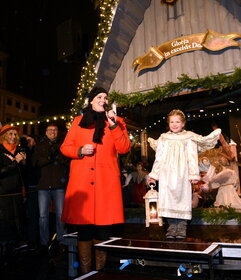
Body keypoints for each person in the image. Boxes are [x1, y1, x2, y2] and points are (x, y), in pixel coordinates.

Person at [60, 86, 131, 274]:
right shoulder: (77, 122)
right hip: (82, 182)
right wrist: (79, 151)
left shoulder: (117, 122)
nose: (103, 99)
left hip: (105, 183)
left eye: (106, 97)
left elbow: (124, 148)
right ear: (91, 100)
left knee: (103, 229)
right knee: (84, 229)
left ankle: (100, 273)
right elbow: (65, 148)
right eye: (99, 96)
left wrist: (114, 125)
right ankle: (85, 273)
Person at [147, 109, 221, 240]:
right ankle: (171, 227)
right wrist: (154, 175)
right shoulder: (164, 138)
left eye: (177, 122)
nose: (174, 124)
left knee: (182, 199)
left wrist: (193, 175)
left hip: (182, 174)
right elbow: (159, 158)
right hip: (167, 175)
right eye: (172, 122)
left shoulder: (189, 137)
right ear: (168, 123)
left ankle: (181, 227)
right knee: (168, 199)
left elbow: (192, 157)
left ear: (183, 124)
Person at [32, 124, 69, 252]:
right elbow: (35, 162)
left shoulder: (63, 145)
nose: (52, 132)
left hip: (59, 184)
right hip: (43, 185)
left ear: (57, 132)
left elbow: (67, 160)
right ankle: (43, 242)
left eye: (55, 129)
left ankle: (61, 240)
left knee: (60, 214)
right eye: (50, 130)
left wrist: (58, 158)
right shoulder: (40, 145)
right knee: (43, 216)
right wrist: (50, 157)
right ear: (46, 132)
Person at [0, 125, 27, 249]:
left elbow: (24, 171)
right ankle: (5, 245)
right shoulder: (0, 151)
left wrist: (24, 162)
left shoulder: (19, 150)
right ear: (4, 136)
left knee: (18, 218)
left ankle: (17, 243)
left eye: (15, 134)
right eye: (10, 134)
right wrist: (15, 162)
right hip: (4, 192)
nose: (13, 137)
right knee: (6, 219)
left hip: (17, 190)